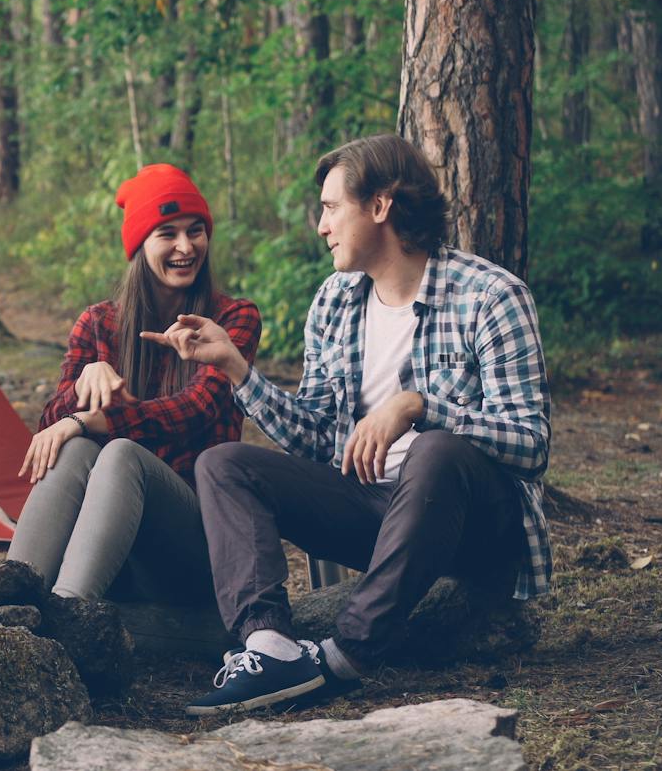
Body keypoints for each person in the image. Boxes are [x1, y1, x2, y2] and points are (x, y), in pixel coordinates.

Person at [146, 135, 551, 715]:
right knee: (224, 465)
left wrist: (418, 405)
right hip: (376, 515)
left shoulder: (490, 296)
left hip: (471, 524)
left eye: (332, 207)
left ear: (381, 206)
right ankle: (270, 646)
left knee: (434, 451)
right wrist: (236, 369)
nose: (321, 225)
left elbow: (531, 444)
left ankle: (344, 655)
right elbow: (314, 437)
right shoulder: (335, 301)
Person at [7, 164, 260, 607]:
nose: (186, 246)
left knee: (119, 451)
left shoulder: (233, 319)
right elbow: (51, 429)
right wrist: (82, 387)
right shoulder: (99, 322)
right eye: (167, 233)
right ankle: (9, 608)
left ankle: (70, 615)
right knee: (77, 448)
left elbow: (196, 408)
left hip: (197, 541)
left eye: (195, 231)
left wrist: (92, 419)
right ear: (140, 245)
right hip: (116, 549)